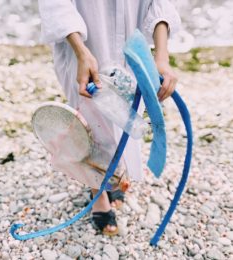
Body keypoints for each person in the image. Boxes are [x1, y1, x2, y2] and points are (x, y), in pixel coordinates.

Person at [38, 0, 181, 236]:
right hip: (83, 43)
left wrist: (161, 55)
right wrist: (81, 51)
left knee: (125, 113)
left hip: (130, 41)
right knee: (89, 119)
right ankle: (97, 191)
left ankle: (112, 172)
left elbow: (160, 3)